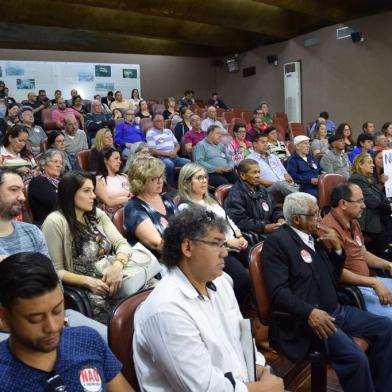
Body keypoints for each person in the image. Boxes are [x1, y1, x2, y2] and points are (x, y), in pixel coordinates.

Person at [133, 206, 284, 392]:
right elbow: (204, 388)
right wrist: (263, 389)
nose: (225, 253)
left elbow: (242, 339)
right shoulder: (165, 309)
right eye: (217, 244)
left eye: (224, 244)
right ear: (187, 247)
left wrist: (260, 371)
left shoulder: (221, 282)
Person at [262, 191, 392, 392]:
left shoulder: (315, 237)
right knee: (356, 358)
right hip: (310, 319)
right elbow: (278, 293)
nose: (319, 219)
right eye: (314, 215)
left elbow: (333, 275)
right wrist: (309, 313)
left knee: (387, 328)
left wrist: (338, 249)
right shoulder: (277, 243)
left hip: (336, 310)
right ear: (297, 219)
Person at [0, 252, 135, 391]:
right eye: (35, 319)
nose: (52, 327)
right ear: (4, 316)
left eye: (57, 311)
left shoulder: (88, 340)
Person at [0, 168, 107, 343]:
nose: (22, 197)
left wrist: (53, 316)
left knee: (108, 340)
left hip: (52, 318)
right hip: (8, 329)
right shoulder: (54, 222)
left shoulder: (32, 232)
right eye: (13, 190)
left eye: (21, 190)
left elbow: (54, 279)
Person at [42, 171, 133, 323]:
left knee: (153, 293)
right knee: (124, 317)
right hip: (88, 288)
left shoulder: (97, 214)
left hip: (116, 277)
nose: (94, 196)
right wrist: (87, 281)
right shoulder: (55, 222)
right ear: (70, 193)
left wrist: (117, 266)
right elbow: (55, 271)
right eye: (86, 191)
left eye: (93, 190)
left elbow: (122, 244)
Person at [177, 163, 251, 304]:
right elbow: (201, 237)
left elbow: (228, 219)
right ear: (186, 183)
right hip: (216, 251)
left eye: (205, 177)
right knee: (242, 280)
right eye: (199, 178)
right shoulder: (186, 207)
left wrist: (239, 235)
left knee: (265, 263)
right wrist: (229, 242)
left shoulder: (210, 199)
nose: (204, 180)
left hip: (234, 243)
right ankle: (233, 310)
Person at [322, 182, 392, 319]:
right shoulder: (327, 230)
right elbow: (336, 272)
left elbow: (363, 253)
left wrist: (388, 265)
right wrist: (373, 283)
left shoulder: (353, 221)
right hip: (355, 289)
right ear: (343, 204)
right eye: (360, 201)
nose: (364, 206)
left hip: (369, 282)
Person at [124, 156, 176, 255]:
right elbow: (158, 245)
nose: (160, 181)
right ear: (140, 182)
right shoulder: (134, 208)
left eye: (161, 176)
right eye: (154, 178)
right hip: (159, 262)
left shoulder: (166, 199)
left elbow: (184, 227)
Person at [224, 159, 285, 241]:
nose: (258, 175)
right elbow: (238, 220)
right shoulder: (236, 194)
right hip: (257, 234)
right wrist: (263, 227)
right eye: (254, 172)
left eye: (259, 172)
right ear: (242, 175)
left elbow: (274, 208)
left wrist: (280, 218)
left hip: (272, 229)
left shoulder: (262, 189)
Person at [349, 153, 392, 257]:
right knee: (385, 239)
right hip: (367, 217)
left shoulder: (369, 179)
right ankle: (385, 261)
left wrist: (389, 205)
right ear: (360, 164)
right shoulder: (356, 179)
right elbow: (373, 202)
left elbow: (381, 198)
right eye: (369, 162)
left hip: (377, 213)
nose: (372, 165)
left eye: (372, 162)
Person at [146, 114, 190, 188]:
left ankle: (185, 185)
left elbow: (177, 144)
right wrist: (168, 154)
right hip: (161, 158)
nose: (162, 123)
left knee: (189, 163)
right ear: (153, 122)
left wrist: (174, 151)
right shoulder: (150, 133)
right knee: (169, 165)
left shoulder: (168, 131)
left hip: (175, 156)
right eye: (159, 121)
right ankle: (171, 187)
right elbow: (152, 150)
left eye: (163, 121)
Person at [28, 149, 63, 225]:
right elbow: (56, 204)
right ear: (43, 165)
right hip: (46, 224)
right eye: (55, 161)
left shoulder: (61, 181)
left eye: (61, 162)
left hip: (62, 220)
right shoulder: (38, 182)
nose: (59, 165)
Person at [95, 147, 130, 218]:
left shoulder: (124, 176)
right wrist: (128, 200)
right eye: (116, 158)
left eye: (120, 159)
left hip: (128, 211)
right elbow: (109, 202)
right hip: (110, 215)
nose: (119, 161)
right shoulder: (99, 180)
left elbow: (133, 195)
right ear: (105, 160)